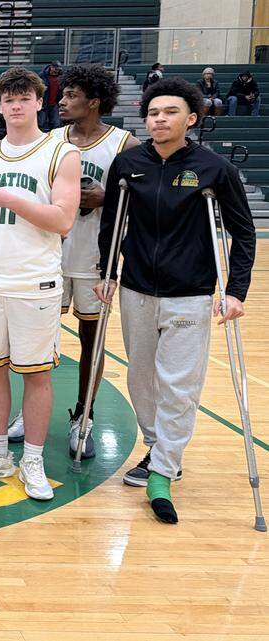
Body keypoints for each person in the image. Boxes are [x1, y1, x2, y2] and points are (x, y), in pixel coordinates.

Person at [97, 77, 255, 524]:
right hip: (136, 288)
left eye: (169, 113)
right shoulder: (129, 165)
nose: (159, 119)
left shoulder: (213, 169)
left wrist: (236, 290)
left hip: (190, 293)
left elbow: (242, 233)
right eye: (152, 113)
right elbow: (112, 225)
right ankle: (158, 447)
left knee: (179, 384)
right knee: (141, 379)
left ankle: (163, 472)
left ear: (191, 118)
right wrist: (105, 273)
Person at [0, 67, 80, 501]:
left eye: (25, 97)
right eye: (9, 99)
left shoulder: (60, 153)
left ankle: (32, 458)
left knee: (37, 375)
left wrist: (10, 199)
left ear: (40, 101)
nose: (17, 105)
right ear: (0, 106)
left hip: (35, 283)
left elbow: (63, 220)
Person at [6, 64, 138, 458]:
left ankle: (84, 414)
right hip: (47, 255)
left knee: (91, 341)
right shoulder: (51, 141)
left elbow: (140, 202)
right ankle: (29, 414)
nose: (60, 102)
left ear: (93, 102)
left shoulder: (123, 145)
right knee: (36, 341)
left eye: (70, 96)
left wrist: (108, 198)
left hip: (96, 259)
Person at [39, 60, 63, 131]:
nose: (56, 71)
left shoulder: (61, 76)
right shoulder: (42, 76)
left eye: (58, 69)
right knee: (41, 123)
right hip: (44, 103)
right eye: (55, 69)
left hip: (55, 103)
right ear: (51, 67)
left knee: (56, 124)